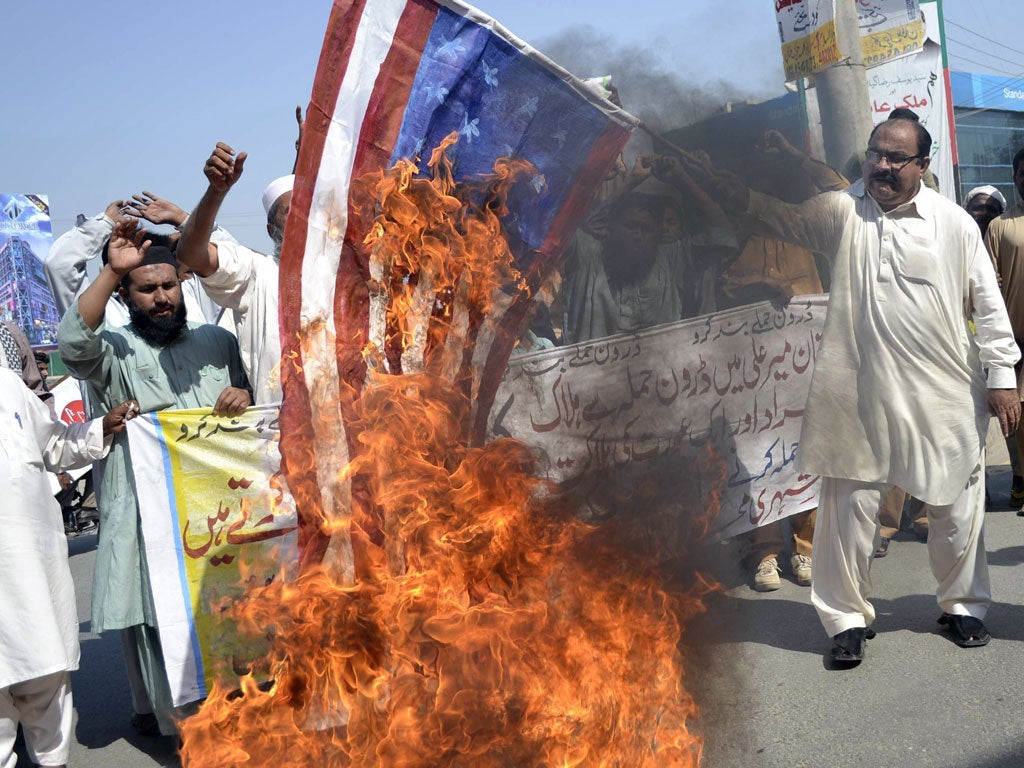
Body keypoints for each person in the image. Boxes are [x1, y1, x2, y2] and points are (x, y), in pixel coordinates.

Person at [694, 108, 1019, 662]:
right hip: (858, 393)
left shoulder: (954, 223)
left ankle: (963, 606)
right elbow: (780, 217)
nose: (882, 166)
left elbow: (987, 303)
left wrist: (1003, 376)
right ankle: (845, 619)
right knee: (848, 510)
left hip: (942, 393)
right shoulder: (841, 210)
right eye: (875, 154)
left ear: (922, 165)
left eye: (896, 157)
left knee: (957, 507)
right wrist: (734, 192)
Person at [57, 223, 251, 736]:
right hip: (150, 516)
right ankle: (182, 730)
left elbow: (254, 410)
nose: (162, 298)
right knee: (160, 619)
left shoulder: (218, 342)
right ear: (126, 295)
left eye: (169, 286)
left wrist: (242, 400)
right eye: (146, 289)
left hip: (217, 514)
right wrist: (110, 269)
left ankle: (240, 712)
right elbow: (72, 345)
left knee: (231, 612)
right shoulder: (114, 351)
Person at [0, 368, 136, 768]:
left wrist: (101, 427)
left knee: (46, 671)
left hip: (30, 562)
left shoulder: (8, 383)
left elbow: (54, 444)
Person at [560, 154, 736, 344]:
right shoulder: (589, 255)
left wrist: (682, 179)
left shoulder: (671, 259)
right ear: (613, 227)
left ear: (658, 234)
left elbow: (722, 231)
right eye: (630, 226)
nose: (638, 235)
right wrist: (629, 182)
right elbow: (560, 227)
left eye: (647, 229)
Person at [176, 143, 290, 404]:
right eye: (290, 210)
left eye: (309, 208)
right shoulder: (256, 272)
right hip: (280, 431)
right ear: (272, 231)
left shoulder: (342, 275)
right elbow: (192, 256)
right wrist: (215, 193)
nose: (303, 217)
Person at [984, 157, 1024, 511]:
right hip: (1017, 342)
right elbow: (986, 283)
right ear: (1015, 177)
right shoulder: (999, 227)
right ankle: (1019, 477)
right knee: (1017, 420)